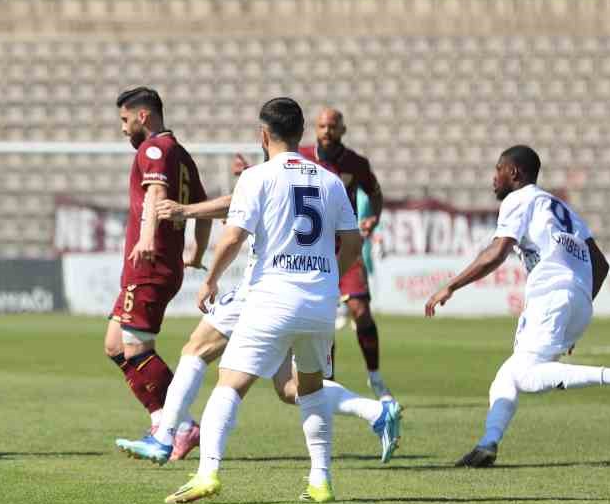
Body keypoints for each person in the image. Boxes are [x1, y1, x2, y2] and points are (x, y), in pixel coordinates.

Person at [115, 176, 401, 466]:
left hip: (261, 287)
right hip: (299, 290)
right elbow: (350, 241)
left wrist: (187, 215)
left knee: (196, 349)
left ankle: (166, 437)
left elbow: (233, 217)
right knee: (291, 388)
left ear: (266, 136)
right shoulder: (315, 176)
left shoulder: (265, 174)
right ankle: (377, 412)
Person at [166, 97, 364, 504]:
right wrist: (329, 273)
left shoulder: (256, 177)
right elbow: (354, 240)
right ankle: (321, 480)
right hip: (320, 302)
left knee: (229, 385)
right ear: (302, 133)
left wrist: (211, 281)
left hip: (272, 297)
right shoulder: (328, 180)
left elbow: (234, 236)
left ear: (263, 135)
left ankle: (208, 473)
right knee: (310, 388)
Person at [425, 145, 610, 467]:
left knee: (527, 377)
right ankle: (487, 446)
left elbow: (497, 251)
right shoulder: (562, 207)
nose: (494, 179)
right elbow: (600, 265)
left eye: (498, 170)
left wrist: (451, 285)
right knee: (507, 376)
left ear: (514, 173)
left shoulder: (518, 200)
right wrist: (576, 308)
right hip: (577, 298)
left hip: (551, 295)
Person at [233, 106, 389, 399]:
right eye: (322, 126)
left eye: (332, 126)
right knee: (322, 317)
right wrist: (247, 173)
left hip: (344, 248)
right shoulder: (300, 155)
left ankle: (375, 378)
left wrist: (373, 218)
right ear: (314, 130)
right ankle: (326, 385)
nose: (327, 132)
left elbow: (376, 193)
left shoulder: (355, 163)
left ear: (342, 130)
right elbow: (271, 172)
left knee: (361, 311)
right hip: (312, 251)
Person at [103, 87, 208, 446]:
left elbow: (155, 195)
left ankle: (179, 425)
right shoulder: (180, 153)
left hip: (149, 263)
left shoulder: (154, 148)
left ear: (142, 116)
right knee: (115, 344)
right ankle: (162, 418)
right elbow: (204, 207)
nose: (122, 128)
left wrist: (147, 238)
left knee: (135, 348)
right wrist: (196, 251)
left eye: (124, 119)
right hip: (160, 263)